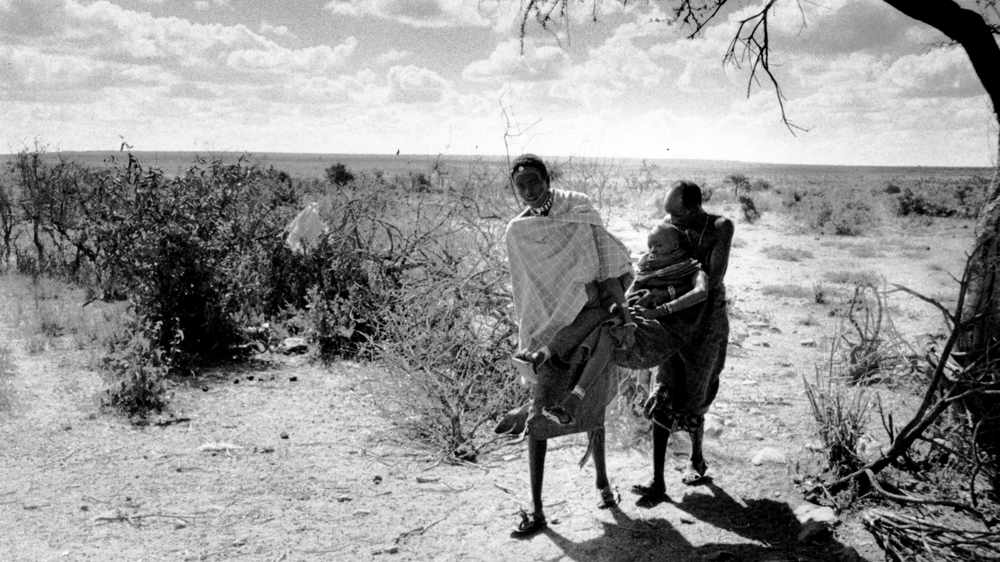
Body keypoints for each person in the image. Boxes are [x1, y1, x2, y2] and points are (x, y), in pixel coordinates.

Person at [503, 153, 636, 537]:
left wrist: (617, 311)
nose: (529, 190)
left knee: (594, 410)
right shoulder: (517, 231)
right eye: (521, 185)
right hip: (545, 329)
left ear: (548, 178)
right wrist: (533, 332)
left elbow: (608, 261)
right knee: (538, 415)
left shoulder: (578, 208)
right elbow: (524, 291)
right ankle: (537, 508)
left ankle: (603, 485)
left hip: (590, 318)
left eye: (534, 181)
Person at [630, 179, 733, 500]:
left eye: (676, 215)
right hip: (671, 321)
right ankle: (657, 479)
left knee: (696, 390)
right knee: (664, 390)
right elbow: (653, 264)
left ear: (695, 207)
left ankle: (696, 457)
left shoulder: (719, 227)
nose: (670, 221)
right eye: (667, 215)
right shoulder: (668, 225)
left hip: (706, 319)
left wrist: (666, 294)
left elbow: (712, 280)